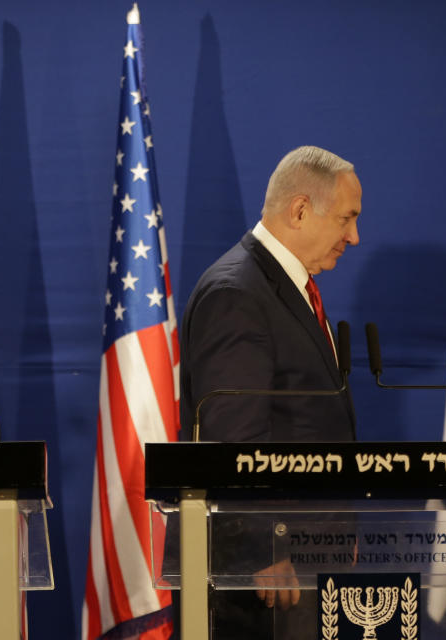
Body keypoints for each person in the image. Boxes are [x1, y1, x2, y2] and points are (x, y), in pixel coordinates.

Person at [177, 146, 362, 638]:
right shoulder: (237, 294)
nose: (354, 236)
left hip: (309, 564)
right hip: (272, 580)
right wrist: (261, 551)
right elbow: (230, 440)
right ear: (300, 210)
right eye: (347, 219)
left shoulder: (279, 286)